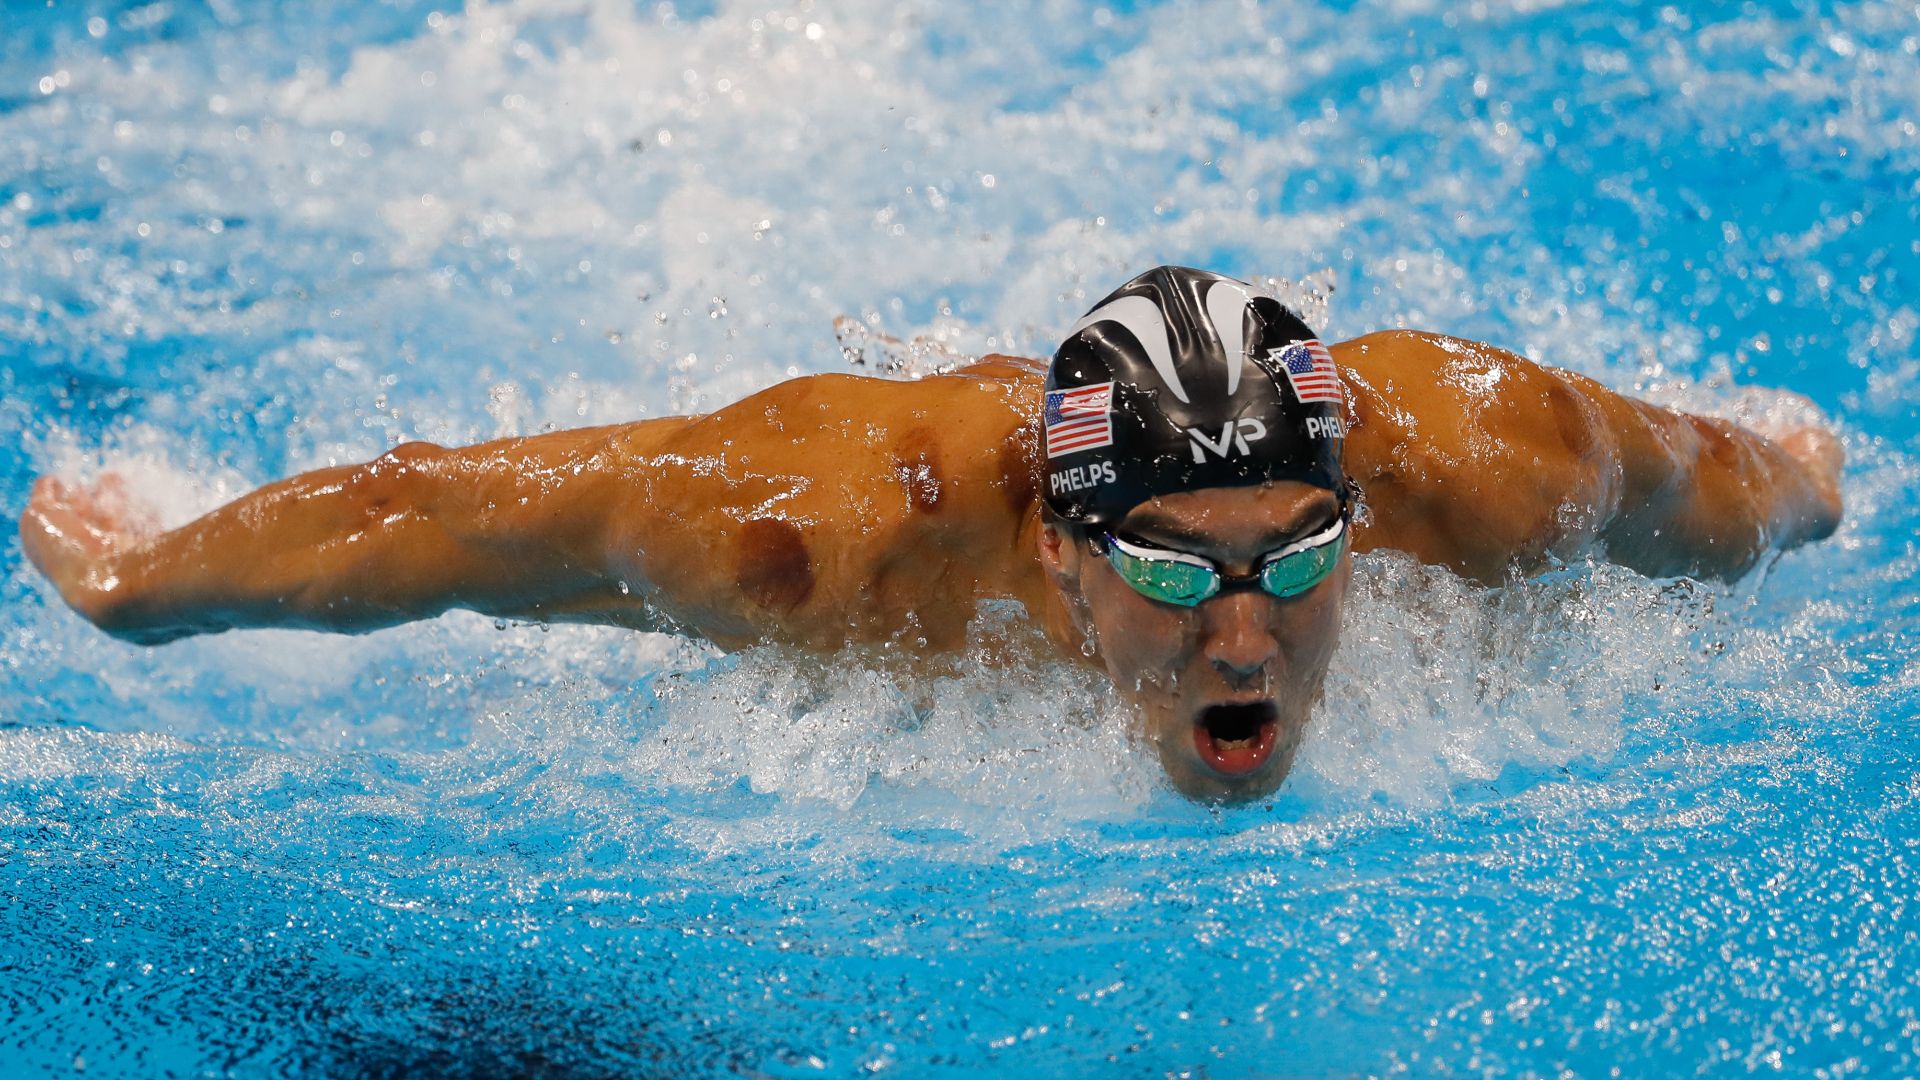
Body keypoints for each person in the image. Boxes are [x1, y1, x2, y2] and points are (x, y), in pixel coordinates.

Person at [18, 266, 1843, 801]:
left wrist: (1811, 478)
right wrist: (141, 585)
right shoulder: (819, 545)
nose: (1243, 636)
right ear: (1057, 549)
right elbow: (436, 516)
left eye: (1298, 560)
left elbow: (1732, 480)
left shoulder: (1498, 467)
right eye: (1170, 570)